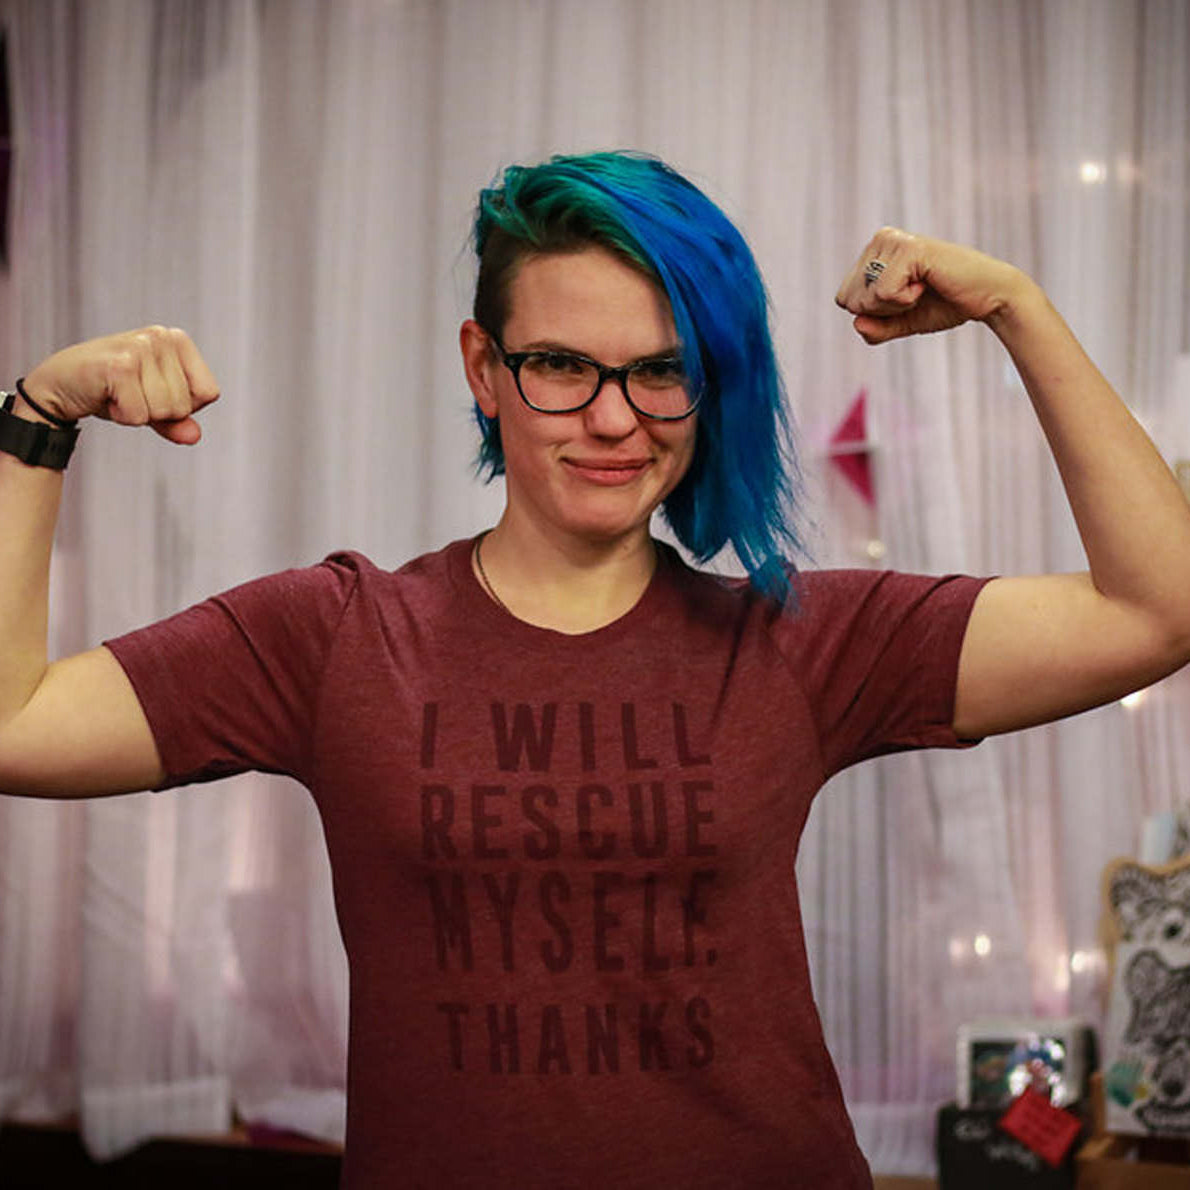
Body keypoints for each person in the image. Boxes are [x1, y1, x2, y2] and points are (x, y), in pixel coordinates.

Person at [1, 151, 1189, 1188]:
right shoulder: (336, 635)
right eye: (562, 365)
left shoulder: (795, 641)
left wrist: (1015, 307)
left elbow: (1154, 610)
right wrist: (36, 419)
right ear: (483, 367)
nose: (615, 418)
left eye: (659, 370)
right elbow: (16, 726)